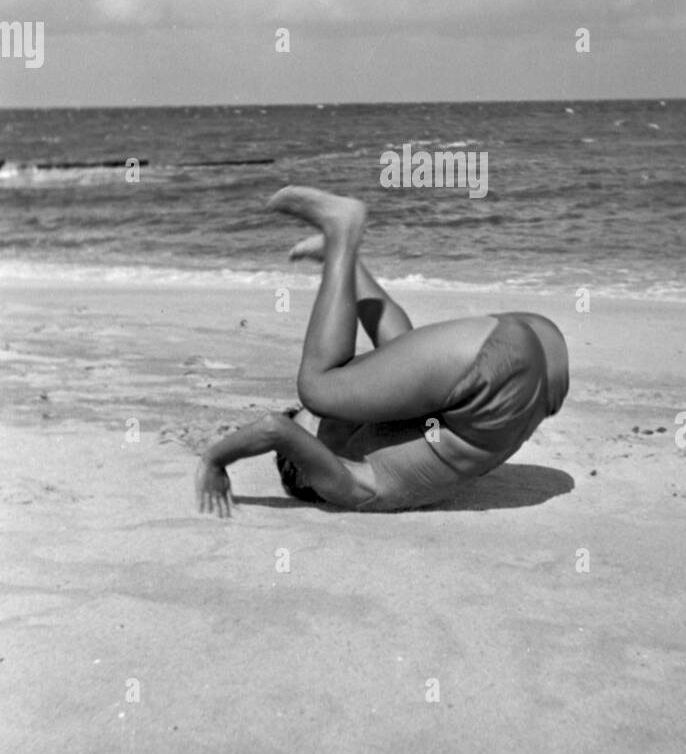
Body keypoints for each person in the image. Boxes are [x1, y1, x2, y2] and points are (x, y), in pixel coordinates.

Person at [195, 185, 569, 515]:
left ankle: (342, 255)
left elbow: (401, 342)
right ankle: (342, 231)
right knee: (316, 389)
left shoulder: (391, 438)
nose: (336, 417)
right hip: (513, 366)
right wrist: (215, 460)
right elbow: (275, 429)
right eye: (313, 423)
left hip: (541, 362)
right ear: (306, 464)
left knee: (390, 360)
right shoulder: (344, 487)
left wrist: (345, 265)